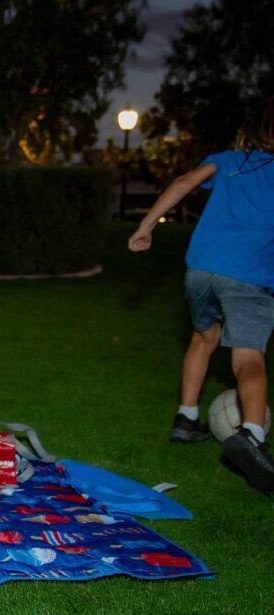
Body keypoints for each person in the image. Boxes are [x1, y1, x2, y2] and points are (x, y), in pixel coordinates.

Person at [128, 97, 274, 495]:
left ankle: (186, 418)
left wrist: (146, 226)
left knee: (203, 337)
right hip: (249, 277)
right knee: (248, 356)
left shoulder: (229, 160)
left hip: (202, 270)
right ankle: (254, 436)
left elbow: (182, 183)